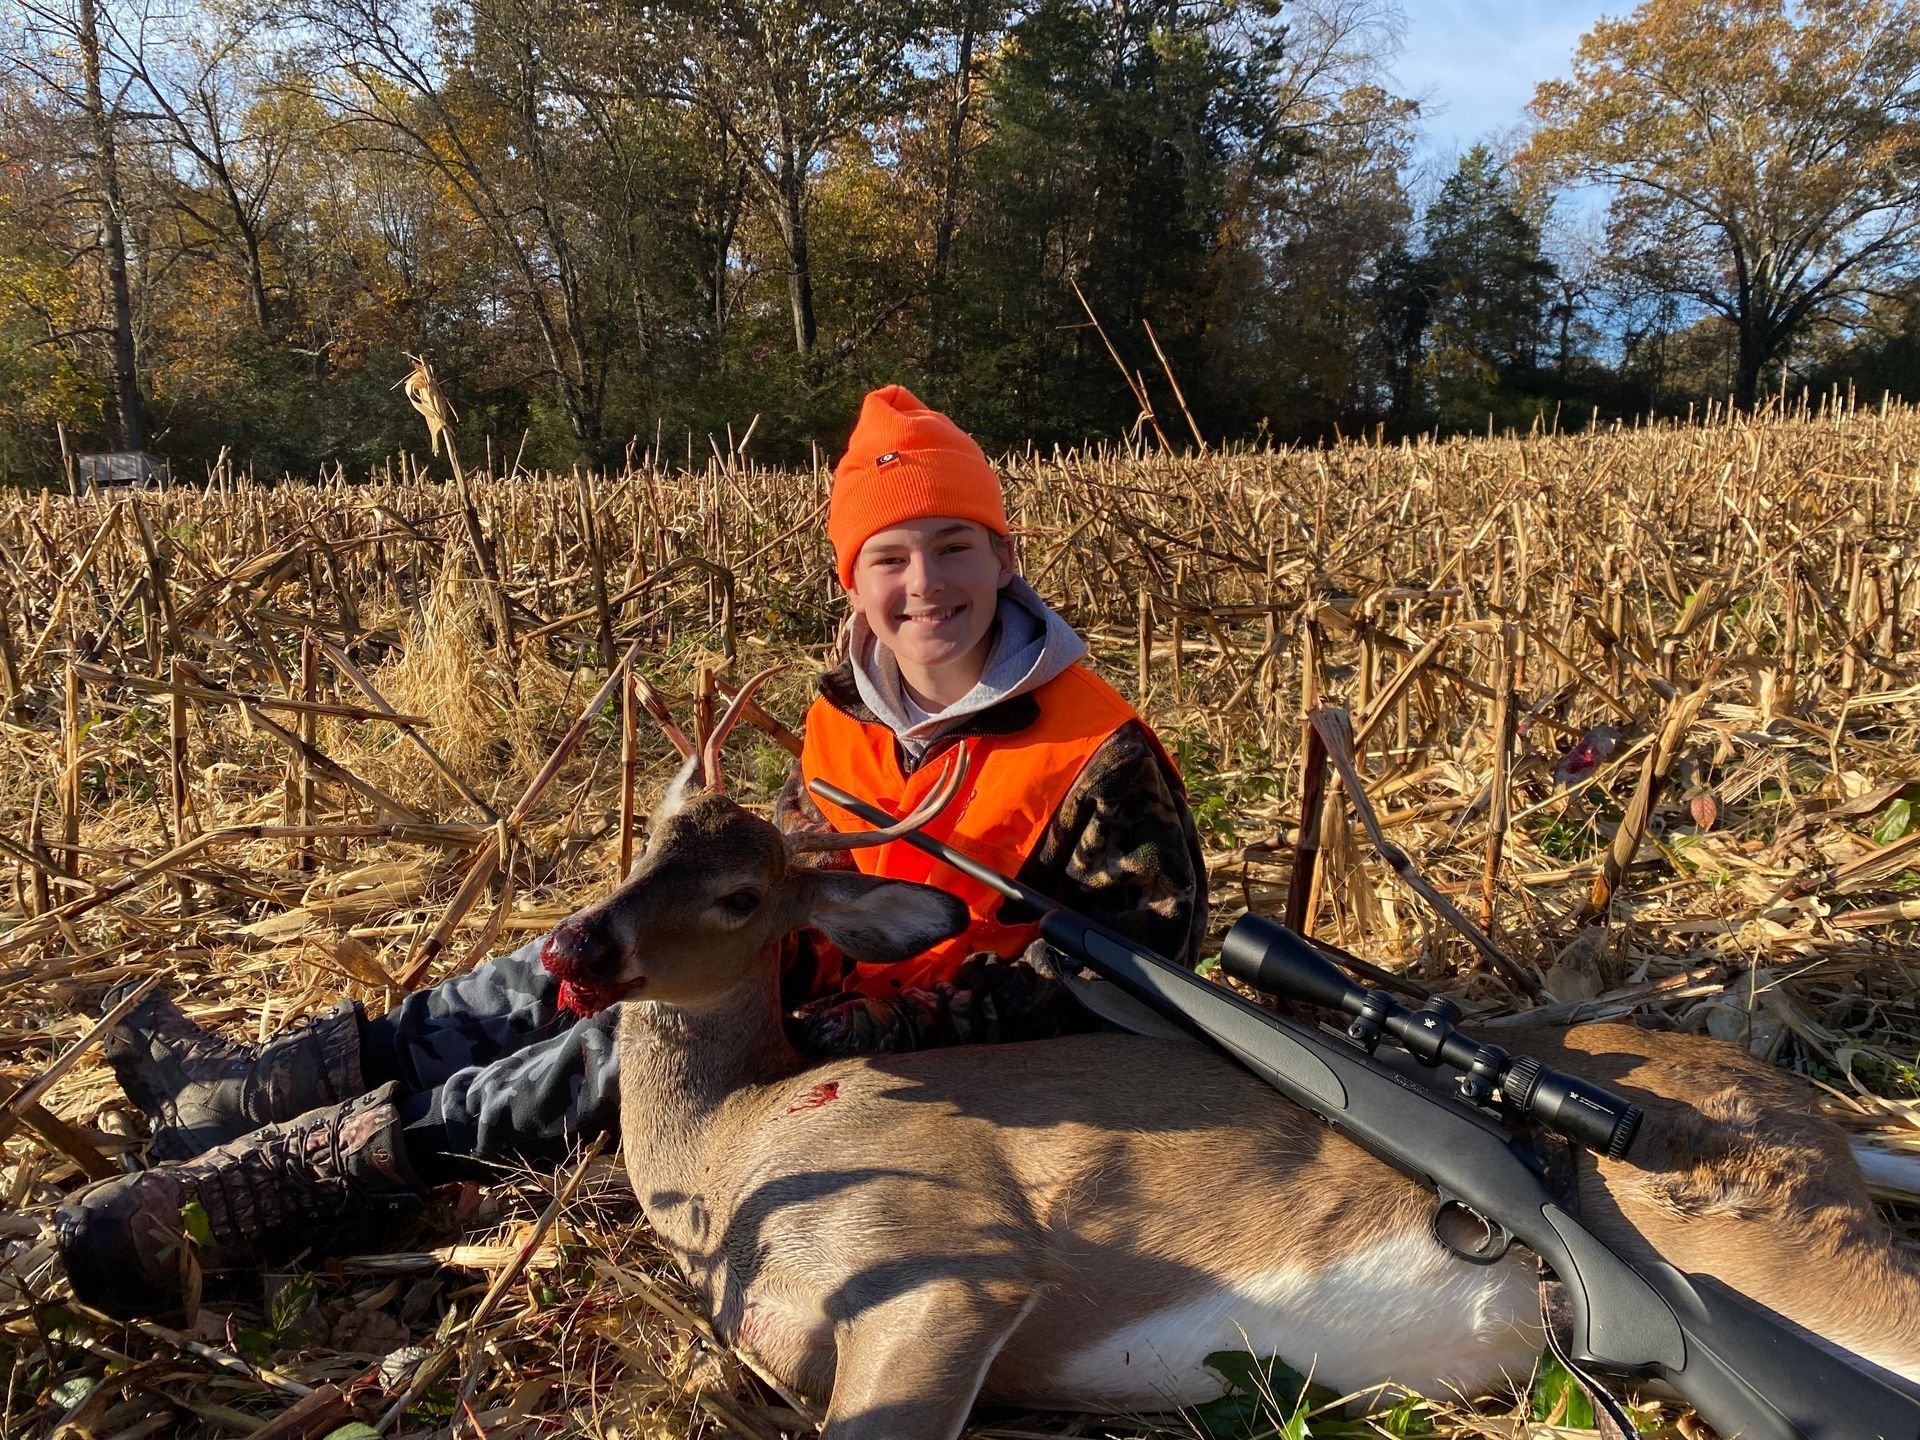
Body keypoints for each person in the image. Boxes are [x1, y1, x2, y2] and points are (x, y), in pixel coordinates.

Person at [55, 385, 1206, 1315]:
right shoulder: (845, 710)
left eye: (953, 547)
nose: (924, 586)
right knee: (553, 971)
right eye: (889, 558)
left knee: (627, 1043)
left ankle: (294, 1184)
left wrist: (876, 1024)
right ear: (850, 579)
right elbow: (820, 872)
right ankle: (238, 1094)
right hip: (822, 973)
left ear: (1002, 557)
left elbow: (1129, 987)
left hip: (952, 1057)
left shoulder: (1100, 752)